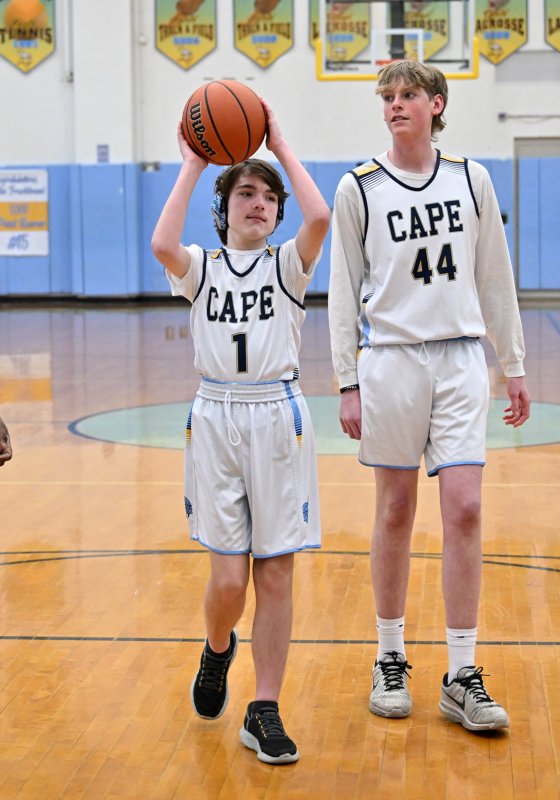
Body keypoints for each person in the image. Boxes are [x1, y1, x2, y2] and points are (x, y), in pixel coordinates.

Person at [328, 60, 530, 732]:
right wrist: (346, 380)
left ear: (435, 104)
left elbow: (494, 277)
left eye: (408, 95)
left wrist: (514, 363)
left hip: (457, 357)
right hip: (388, 359)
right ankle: (390, 656)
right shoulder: (357, 187)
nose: (394, 105)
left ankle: (462, 673)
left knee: (466, 508)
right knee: (394, 511)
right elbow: (340, 291)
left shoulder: (469, 178)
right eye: (386, 96)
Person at [151, 101, 330, 763]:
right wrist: (197, 162)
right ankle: (217, 648)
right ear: (224, 209)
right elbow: (161, 244)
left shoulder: (289, 265)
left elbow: (320, 216)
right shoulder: (201, 267)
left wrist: (278, 143)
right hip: (216, 417)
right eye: (244, 193)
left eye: (267, 198)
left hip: (277, 416)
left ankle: (265, 708)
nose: (257, 203)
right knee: (229, 583)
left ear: (277, 214)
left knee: (275, 576)